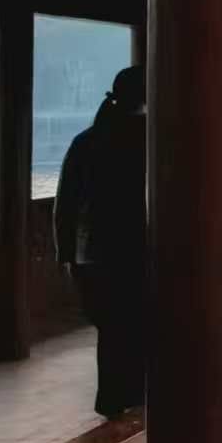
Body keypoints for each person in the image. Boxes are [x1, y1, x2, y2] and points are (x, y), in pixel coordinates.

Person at [54, 65, 148, 418]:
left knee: (111, 329)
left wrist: (65, 253)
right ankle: (136, 394)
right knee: (139, 326)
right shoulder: (153, 140)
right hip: (139, 250)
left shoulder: (86, 142)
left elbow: (65, 204)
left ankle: (112, 396)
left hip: (92, 254)